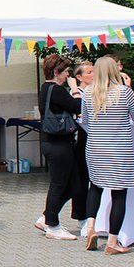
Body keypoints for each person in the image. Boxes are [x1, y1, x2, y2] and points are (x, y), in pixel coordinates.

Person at [81, 57, 134, 254]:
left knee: (95, 186)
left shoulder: (88, 92)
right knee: (118, 193)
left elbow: (85, 120)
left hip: (95, 148)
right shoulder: (124, 92)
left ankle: (90, 227)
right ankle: (112, 242)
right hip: (119, 150)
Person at [34, 54, 83, 240]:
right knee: (59, 184)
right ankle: (53, 226)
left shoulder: (46, 88)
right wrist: (75, 89)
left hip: (54, 143)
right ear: (56, 72)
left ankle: (47, 217)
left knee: (75, 184)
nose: (68, 75)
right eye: (66, 72)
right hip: (58, 144)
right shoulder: (56, 90)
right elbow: (77, 106)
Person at [71, 61, 94, 235]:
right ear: (79, 77)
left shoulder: (97, 91)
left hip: (97, 140)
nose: (93, 75)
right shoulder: (75, 93)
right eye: (89, 72)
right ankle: (82, 219)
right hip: (81, 140)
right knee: (81, 179)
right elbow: (77, 113)